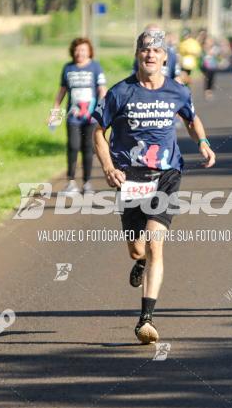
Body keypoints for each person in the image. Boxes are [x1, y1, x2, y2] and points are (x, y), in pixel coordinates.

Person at [92, 29, 216, 343]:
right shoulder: (120, 93)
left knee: (155, 242)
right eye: (145, 50)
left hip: (166, 174)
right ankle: (141, 262)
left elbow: (191, 118)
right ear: (138, 54)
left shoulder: (178, 91)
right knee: (137, 249)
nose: (150, 55)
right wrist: (108, 167)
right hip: (129, 177)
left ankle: (146, 319)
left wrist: (201, 141)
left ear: (164, 57)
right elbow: (97, 132)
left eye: (156, 51)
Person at [50, 38, 107, 194]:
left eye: (83, 50)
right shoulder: (68, 68)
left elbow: (102, 90)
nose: (79, 53)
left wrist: (103, 110)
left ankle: (87, 182)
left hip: (91, 117)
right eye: (77, 50)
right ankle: (71, 183)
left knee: (88, 148)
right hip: (73, 116)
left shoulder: (96, 67)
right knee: (73, 147)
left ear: (89, 52)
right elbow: (62, 91)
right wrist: (55, 112)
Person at [200, 35, 222, 101]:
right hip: (205, 66)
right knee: (207, 78)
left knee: (212, 79)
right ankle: (207, 91)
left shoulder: (215, 48)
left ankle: (210, 90)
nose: (209, 42)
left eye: (211, 41)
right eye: (208, 41)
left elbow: (218, 56)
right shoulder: (203, 47)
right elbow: (201, 55)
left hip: (213, 66)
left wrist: (219, 61)